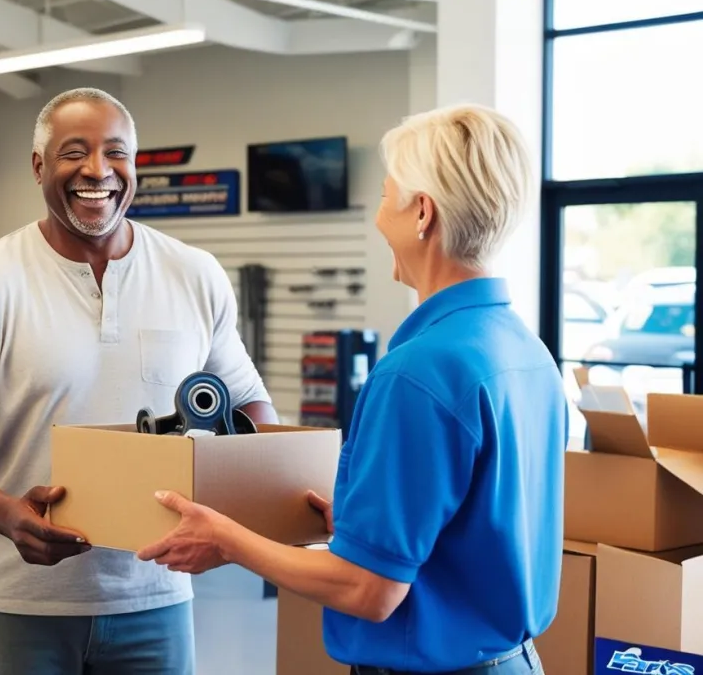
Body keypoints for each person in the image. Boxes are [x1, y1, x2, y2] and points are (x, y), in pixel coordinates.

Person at [137, 104, 566, 675]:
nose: (378, 218)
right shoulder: (525, 352)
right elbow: (474, 529)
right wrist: (367, 524)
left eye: (386, 197)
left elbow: (370, 590)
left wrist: (227, 539)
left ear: (421, 212)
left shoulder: (419, 372)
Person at [0, 87, 276, 675]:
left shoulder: (194, 274)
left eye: (115, 153)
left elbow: (249, 411)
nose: (97, 170)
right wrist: (4, 513)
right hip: (16, 605)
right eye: (74, 152)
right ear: (38, 166)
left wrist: (246, 522)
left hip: (158, 599)